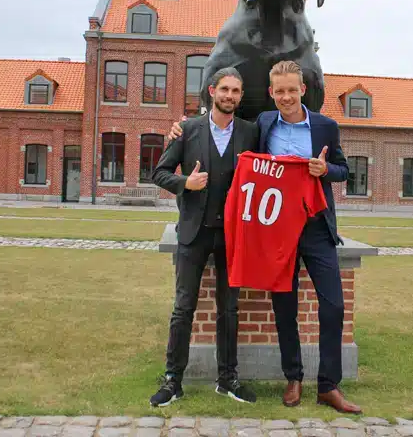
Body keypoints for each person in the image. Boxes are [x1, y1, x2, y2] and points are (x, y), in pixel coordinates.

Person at [168, 60, 362, 414]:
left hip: (316, 227)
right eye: (279, 91)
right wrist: (179, 130)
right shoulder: (263, 123)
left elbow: (344, 170)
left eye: (292, 89)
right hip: (277, 229)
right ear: (271, 93)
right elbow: (230, 140)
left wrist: (325, 170)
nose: (286, 97)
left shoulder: (325, 127)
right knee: (284, 306)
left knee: (333, 305)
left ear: (303, 90)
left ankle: (329, 385)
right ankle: (294, 378)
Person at [149, 67, 259, 407]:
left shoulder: (251, 132)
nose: (230, 96)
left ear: (241, 97)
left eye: (236, 91)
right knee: (183, 308)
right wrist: (186, 184)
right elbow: (159, 173)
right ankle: (173, 380)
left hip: (232, 235)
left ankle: (227, 379)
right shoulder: (187, 130)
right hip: (194, 233)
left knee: (229, 309)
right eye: (224, 89)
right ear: (212, 91)